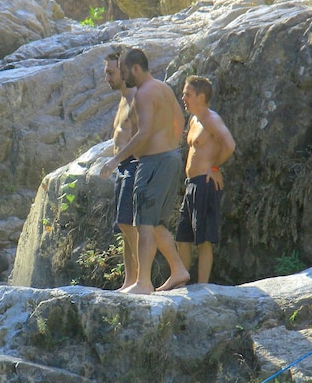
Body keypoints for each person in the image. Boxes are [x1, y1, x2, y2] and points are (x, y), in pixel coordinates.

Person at [100, 48, 189, 294]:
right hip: (169, 158)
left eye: (124, 70)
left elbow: (144, 132)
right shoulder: (163, 88)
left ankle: (143, 283)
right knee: (156, 223)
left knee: (144, 224)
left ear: (135, 68)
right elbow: (180, 119)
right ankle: (178, 270)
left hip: (153, 162)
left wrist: (114, 160)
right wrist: (171, 146)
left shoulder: (143, 93)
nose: (124, 76)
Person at [176, 76, 235, 284]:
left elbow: (229, 145)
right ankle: (181, 281)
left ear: (201, 97)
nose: (183, 97)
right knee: (183, 237)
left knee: (203, 239)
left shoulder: (212, 119)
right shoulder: (194, 120)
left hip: (205, 183)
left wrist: (215, 167)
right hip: (191, 184)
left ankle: (202, 285)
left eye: (187, 94)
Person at [102, 51, 140, 291]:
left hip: (133, 165)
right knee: (124, 227)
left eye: (111, 72)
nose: (107, 77)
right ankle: (129, 280)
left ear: (123, 72)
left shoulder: (136, 99)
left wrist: (115, 161)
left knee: (129, 225)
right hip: (122, 167)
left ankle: (143, 278)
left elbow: (141, 137)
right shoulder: (123, 98)